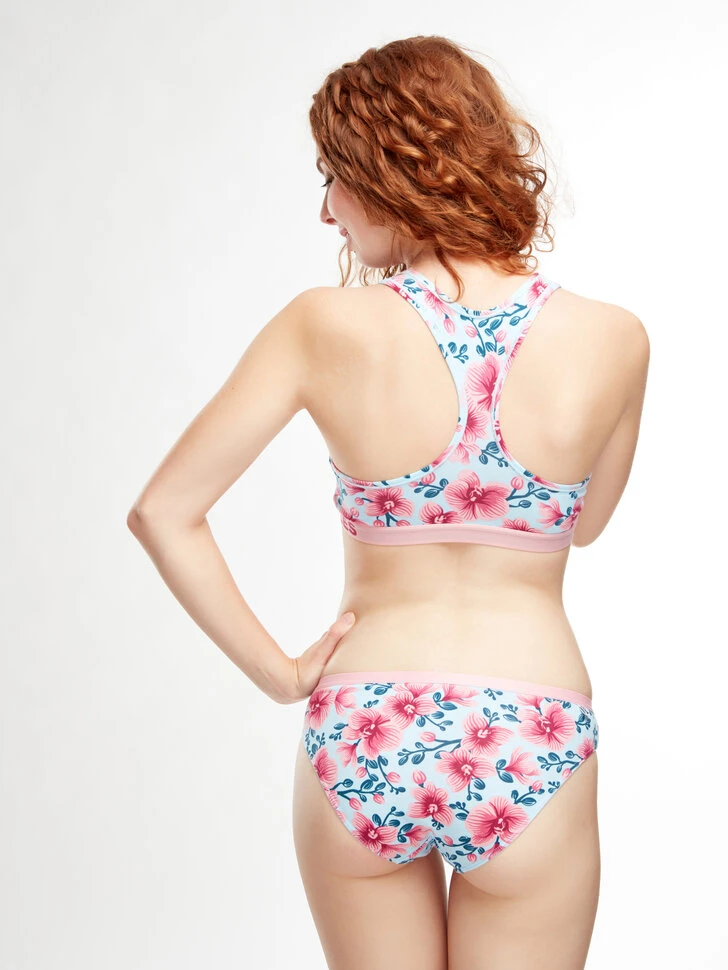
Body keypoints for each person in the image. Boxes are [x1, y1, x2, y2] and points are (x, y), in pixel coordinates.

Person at [128, 34, 649, 970]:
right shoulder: (613, 337)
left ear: (387, 170)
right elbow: (590, 525)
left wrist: (282, 673)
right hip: (530, 728)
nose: (326, 210)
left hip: (366, 722)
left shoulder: (322, 325)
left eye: (332, 177)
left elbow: (162, 511)